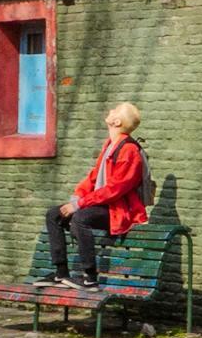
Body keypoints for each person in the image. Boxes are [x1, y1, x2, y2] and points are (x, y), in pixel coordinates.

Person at [41, 101, 148, 289]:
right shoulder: (110, 144)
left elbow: (115, 189)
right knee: (53, 214)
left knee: (81, 218)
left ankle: (89, 278)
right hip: (102, 206)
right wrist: (76, 199)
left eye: (115, 110)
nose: (110, 110)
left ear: (117, 121)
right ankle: (61, 273)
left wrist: (79, 205)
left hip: (119, 211)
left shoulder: (129, 150)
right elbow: (93, 177)